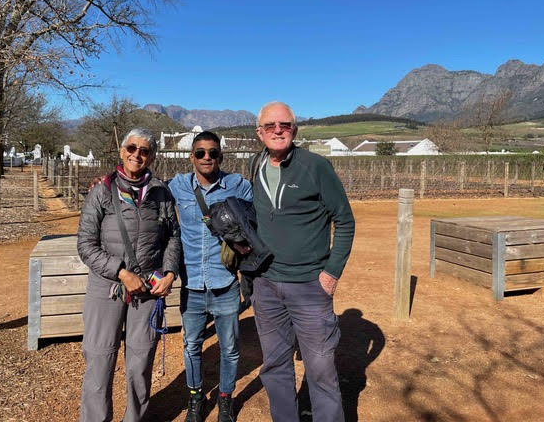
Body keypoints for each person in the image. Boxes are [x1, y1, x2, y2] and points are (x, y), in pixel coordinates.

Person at [250, 101, 355, 422]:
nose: (278, 130)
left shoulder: (316, 166)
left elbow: (345, 220)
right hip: (266, 286)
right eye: (270, 126)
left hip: (310, 286)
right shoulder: (255, 164)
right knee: (275, 365)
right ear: (259, 133)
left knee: (321, 370)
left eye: (285, 125)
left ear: (295, 130)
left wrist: (330, 274)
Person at [77, 127, 181, 422]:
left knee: (140, 360)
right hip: (107, 287)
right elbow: (85, 244)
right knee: (99, 358)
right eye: (131, 148)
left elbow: (173, 236)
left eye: (144, 150)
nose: (137, 154)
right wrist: (121, 272)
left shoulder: (161, 194)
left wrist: (170, 272)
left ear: (151, 156)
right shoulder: (102, 191)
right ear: (122, 151)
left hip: (148, 287)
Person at [168, 131, 252, 422]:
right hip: (191, 284)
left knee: (229, 349)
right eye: (200, 152)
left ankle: (225, 399)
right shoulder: (177, 186)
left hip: (225, 282)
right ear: (191, 156)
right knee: (191, 345)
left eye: (213, 153)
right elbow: (146, 191)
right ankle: (195, 398)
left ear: (221, 156)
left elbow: (265, 211)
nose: (207, 157)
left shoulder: (237, 186)